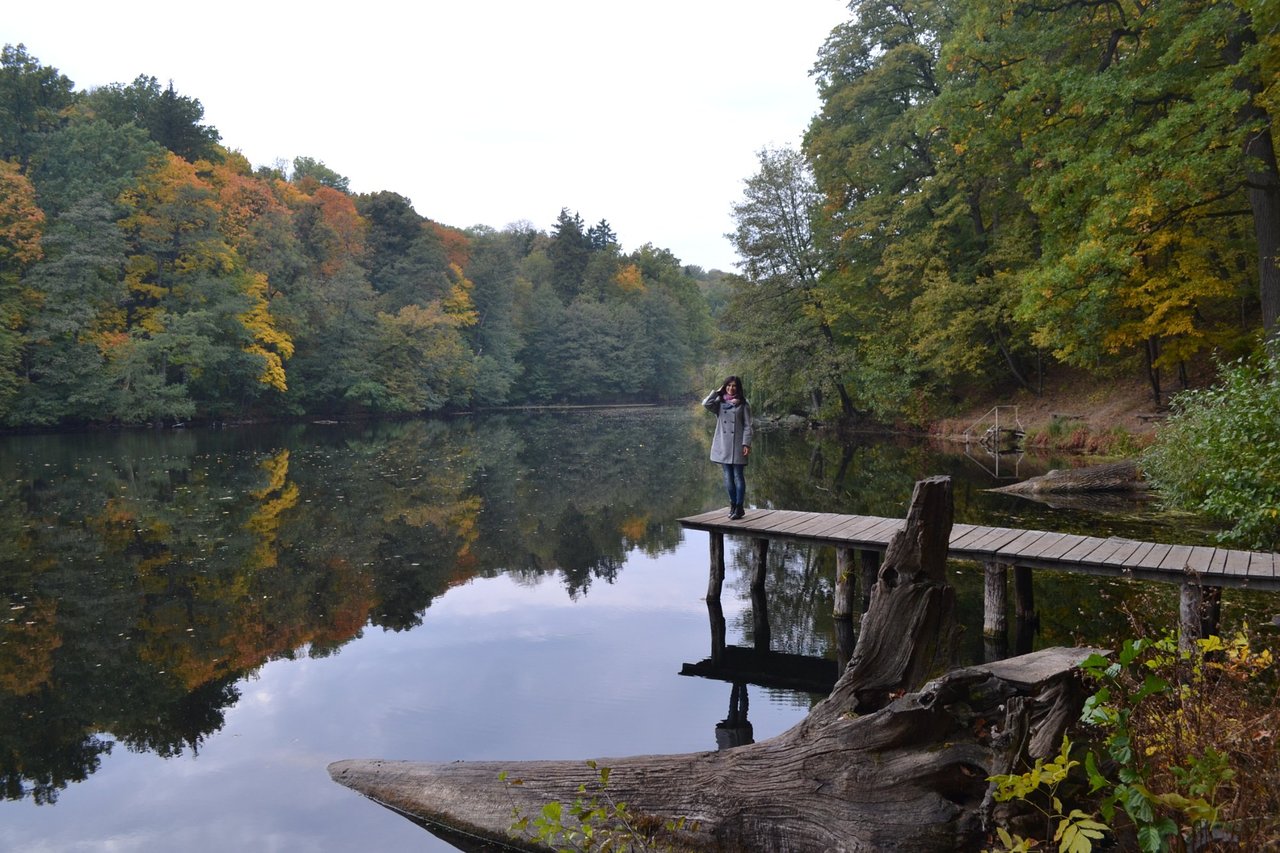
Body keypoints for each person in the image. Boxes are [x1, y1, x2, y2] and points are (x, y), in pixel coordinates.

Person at [702, 376, 753, 519]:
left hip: (738, 445)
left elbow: (748, 426)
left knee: (738, 476)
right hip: (723, 445)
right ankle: (732, 504)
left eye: (734, 386)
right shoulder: (720, 403)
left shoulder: (744, 404)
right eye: (729, 386)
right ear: (725, 387)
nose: (731, 388)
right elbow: (706, 404)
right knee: (728, 477)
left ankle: (739, 507)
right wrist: (717, 392)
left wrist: (746, 444)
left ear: (738, 388)